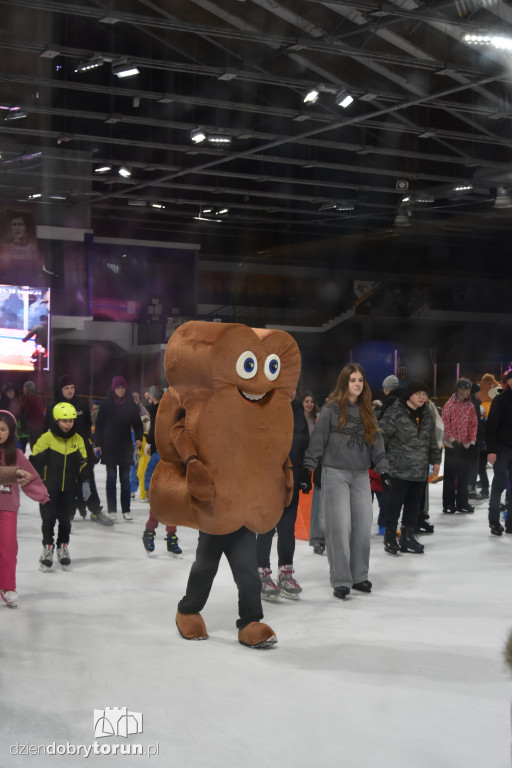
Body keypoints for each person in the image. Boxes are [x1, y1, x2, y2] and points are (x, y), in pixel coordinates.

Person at [300, 363, 389, 599]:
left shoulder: (367, 410)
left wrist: (384, 470)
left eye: (360, 380)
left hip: (360, 476)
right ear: (344, 383)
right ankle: (341, 579)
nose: (357, 384)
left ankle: (359, 576)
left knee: (361, 528)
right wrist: (307, 469)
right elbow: (317, 442)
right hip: (335, 473)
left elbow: (376, 444)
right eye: (352, 380)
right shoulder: (331, 410)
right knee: (339, 528)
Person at [379, 380, 442, 556]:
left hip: (419, 469)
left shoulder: (427, 414)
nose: (422, 397)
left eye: (425, 394)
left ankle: (407, 537)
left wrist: (436, 460)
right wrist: (379, 461)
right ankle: (390, 537)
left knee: (414, 506)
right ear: (410, 395)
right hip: (398, 469)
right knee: (395, 504)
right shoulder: (395, 412)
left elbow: (432, 440)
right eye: (418, 394)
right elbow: (381, 436)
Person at [257, 392, 309, 600]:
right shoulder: (264, 407)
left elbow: (305, 443)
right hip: (268, 479)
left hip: (292, 479)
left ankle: (286, 573)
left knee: (287, 528)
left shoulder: (297, 411)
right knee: (267, 528)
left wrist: (305, 471)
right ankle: (262, 573)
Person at [45, 375, 113, 526]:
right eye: (66, 388)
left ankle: (96, 511)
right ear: (60, 389)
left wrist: (91, 443)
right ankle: (67, 512)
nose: (70, 391)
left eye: (72, 388)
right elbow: (46, 429)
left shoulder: (81, 404)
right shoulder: (53, 406)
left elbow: (88, 425)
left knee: (88, 482)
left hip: (82, 451)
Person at [30, 402, 88, 571]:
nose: (68, 424)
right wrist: (39, 480)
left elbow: (84, 462)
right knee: (48, 520)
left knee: (66, 521)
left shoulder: (77, 440)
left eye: (70, 420)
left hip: (69, 489)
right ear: (56, 421)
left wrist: (84, 480)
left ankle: (62, 547)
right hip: (49, 489)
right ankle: (47, 548)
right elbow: (34, 461)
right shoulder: (47, 439)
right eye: (64, 420)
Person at [0, 410, 49, 606]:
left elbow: (32, 476)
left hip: (8, 508)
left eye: (2, 429)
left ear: (10, 432)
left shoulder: (16, 455)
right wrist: (15, 473)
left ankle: (7, 586)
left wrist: (41, 494)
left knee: (8, 548)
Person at [94, 376, 143, 522]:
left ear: (125, 389)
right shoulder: (106, 405)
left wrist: (139, 437)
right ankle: (112, 509)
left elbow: (138, 424)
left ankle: (126, 510)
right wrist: (98, 443)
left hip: (125, 447)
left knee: (125, 480)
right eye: (118, 388)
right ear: (113, 389)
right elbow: (99, 425)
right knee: (111, 479)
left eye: (122, 388)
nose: (120, 390)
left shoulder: (131, 405)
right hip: (109, 446)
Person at [441, 378, 478, 514]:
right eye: (466, 389)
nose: (468, 392)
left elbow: (474, 424)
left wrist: (472, 442)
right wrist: (452, 439)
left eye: (469, 389)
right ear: (459, 390)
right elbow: (445, 424)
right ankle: (448, 504)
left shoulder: (470, 406)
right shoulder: (449, 405)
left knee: (464, 476)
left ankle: (463, 502)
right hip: (452, 446)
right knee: (450, 477)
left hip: (466, 445)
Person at [486, 369, 512, 536]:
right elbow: (491, 427)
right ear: (508, 382)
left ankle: (510, 522)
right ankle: (494, 522)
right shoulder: (500, 400)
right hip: (502, 448)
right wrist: (492, 450)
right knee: (499, 485)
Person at [142, 449, 182, 556]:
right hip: (157, 492)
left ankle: (171, 538)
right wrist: (147, 488)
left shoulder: (179, 458)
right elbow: (149, 473)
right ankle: (148, 533)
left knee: (172, 516)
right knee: (154, 515)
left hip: (173, 492)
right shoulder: (156, 457)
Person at [20, 381, 45, 450]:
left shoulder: (29, 397)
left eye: (24, 388)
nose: (23, 389)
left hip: (33, 425)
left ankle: (34, 459)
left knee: (33, 444)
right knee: (38, 444)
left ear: (28, 388)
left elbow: (25, 411)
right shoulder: (39, 397)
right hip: (41, 425)